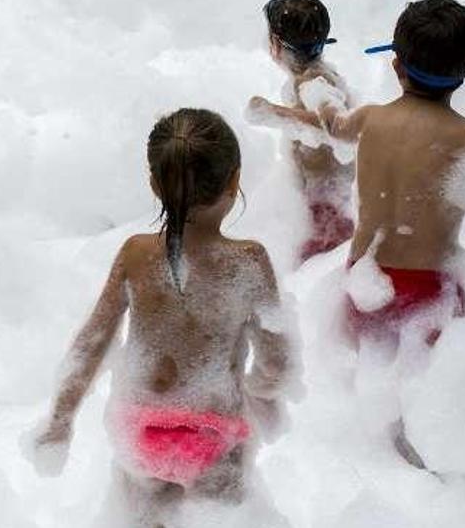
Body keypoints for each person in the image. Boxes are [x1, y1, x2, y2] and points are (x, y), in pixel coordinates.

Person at [270, 0, 465, 467]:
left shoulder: (370, 119)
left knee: (367, 390)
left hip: (364, 280)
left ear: (396, 64)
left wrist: (291, 106)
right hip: (430, 292)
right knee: (426, 413)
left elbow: (331, 128)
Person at [28, 109, 298, 526]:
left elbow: (92, 342)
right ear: (234, 181)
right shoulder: (249, 262)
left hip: (141, 433)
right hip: (213, 435)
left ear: (154, 185)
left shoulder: (136, 255)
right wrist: (262, 394)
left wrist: (60, 420)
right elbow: (277, 363)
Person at [247, 0, 356, 262]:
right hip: (326, 198)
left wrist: (273, 113)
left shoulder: (313, 82)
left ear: (274, 44)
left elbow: (338, 126)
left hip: (327, 208)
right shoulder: (316, 76)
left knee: (309, 267)